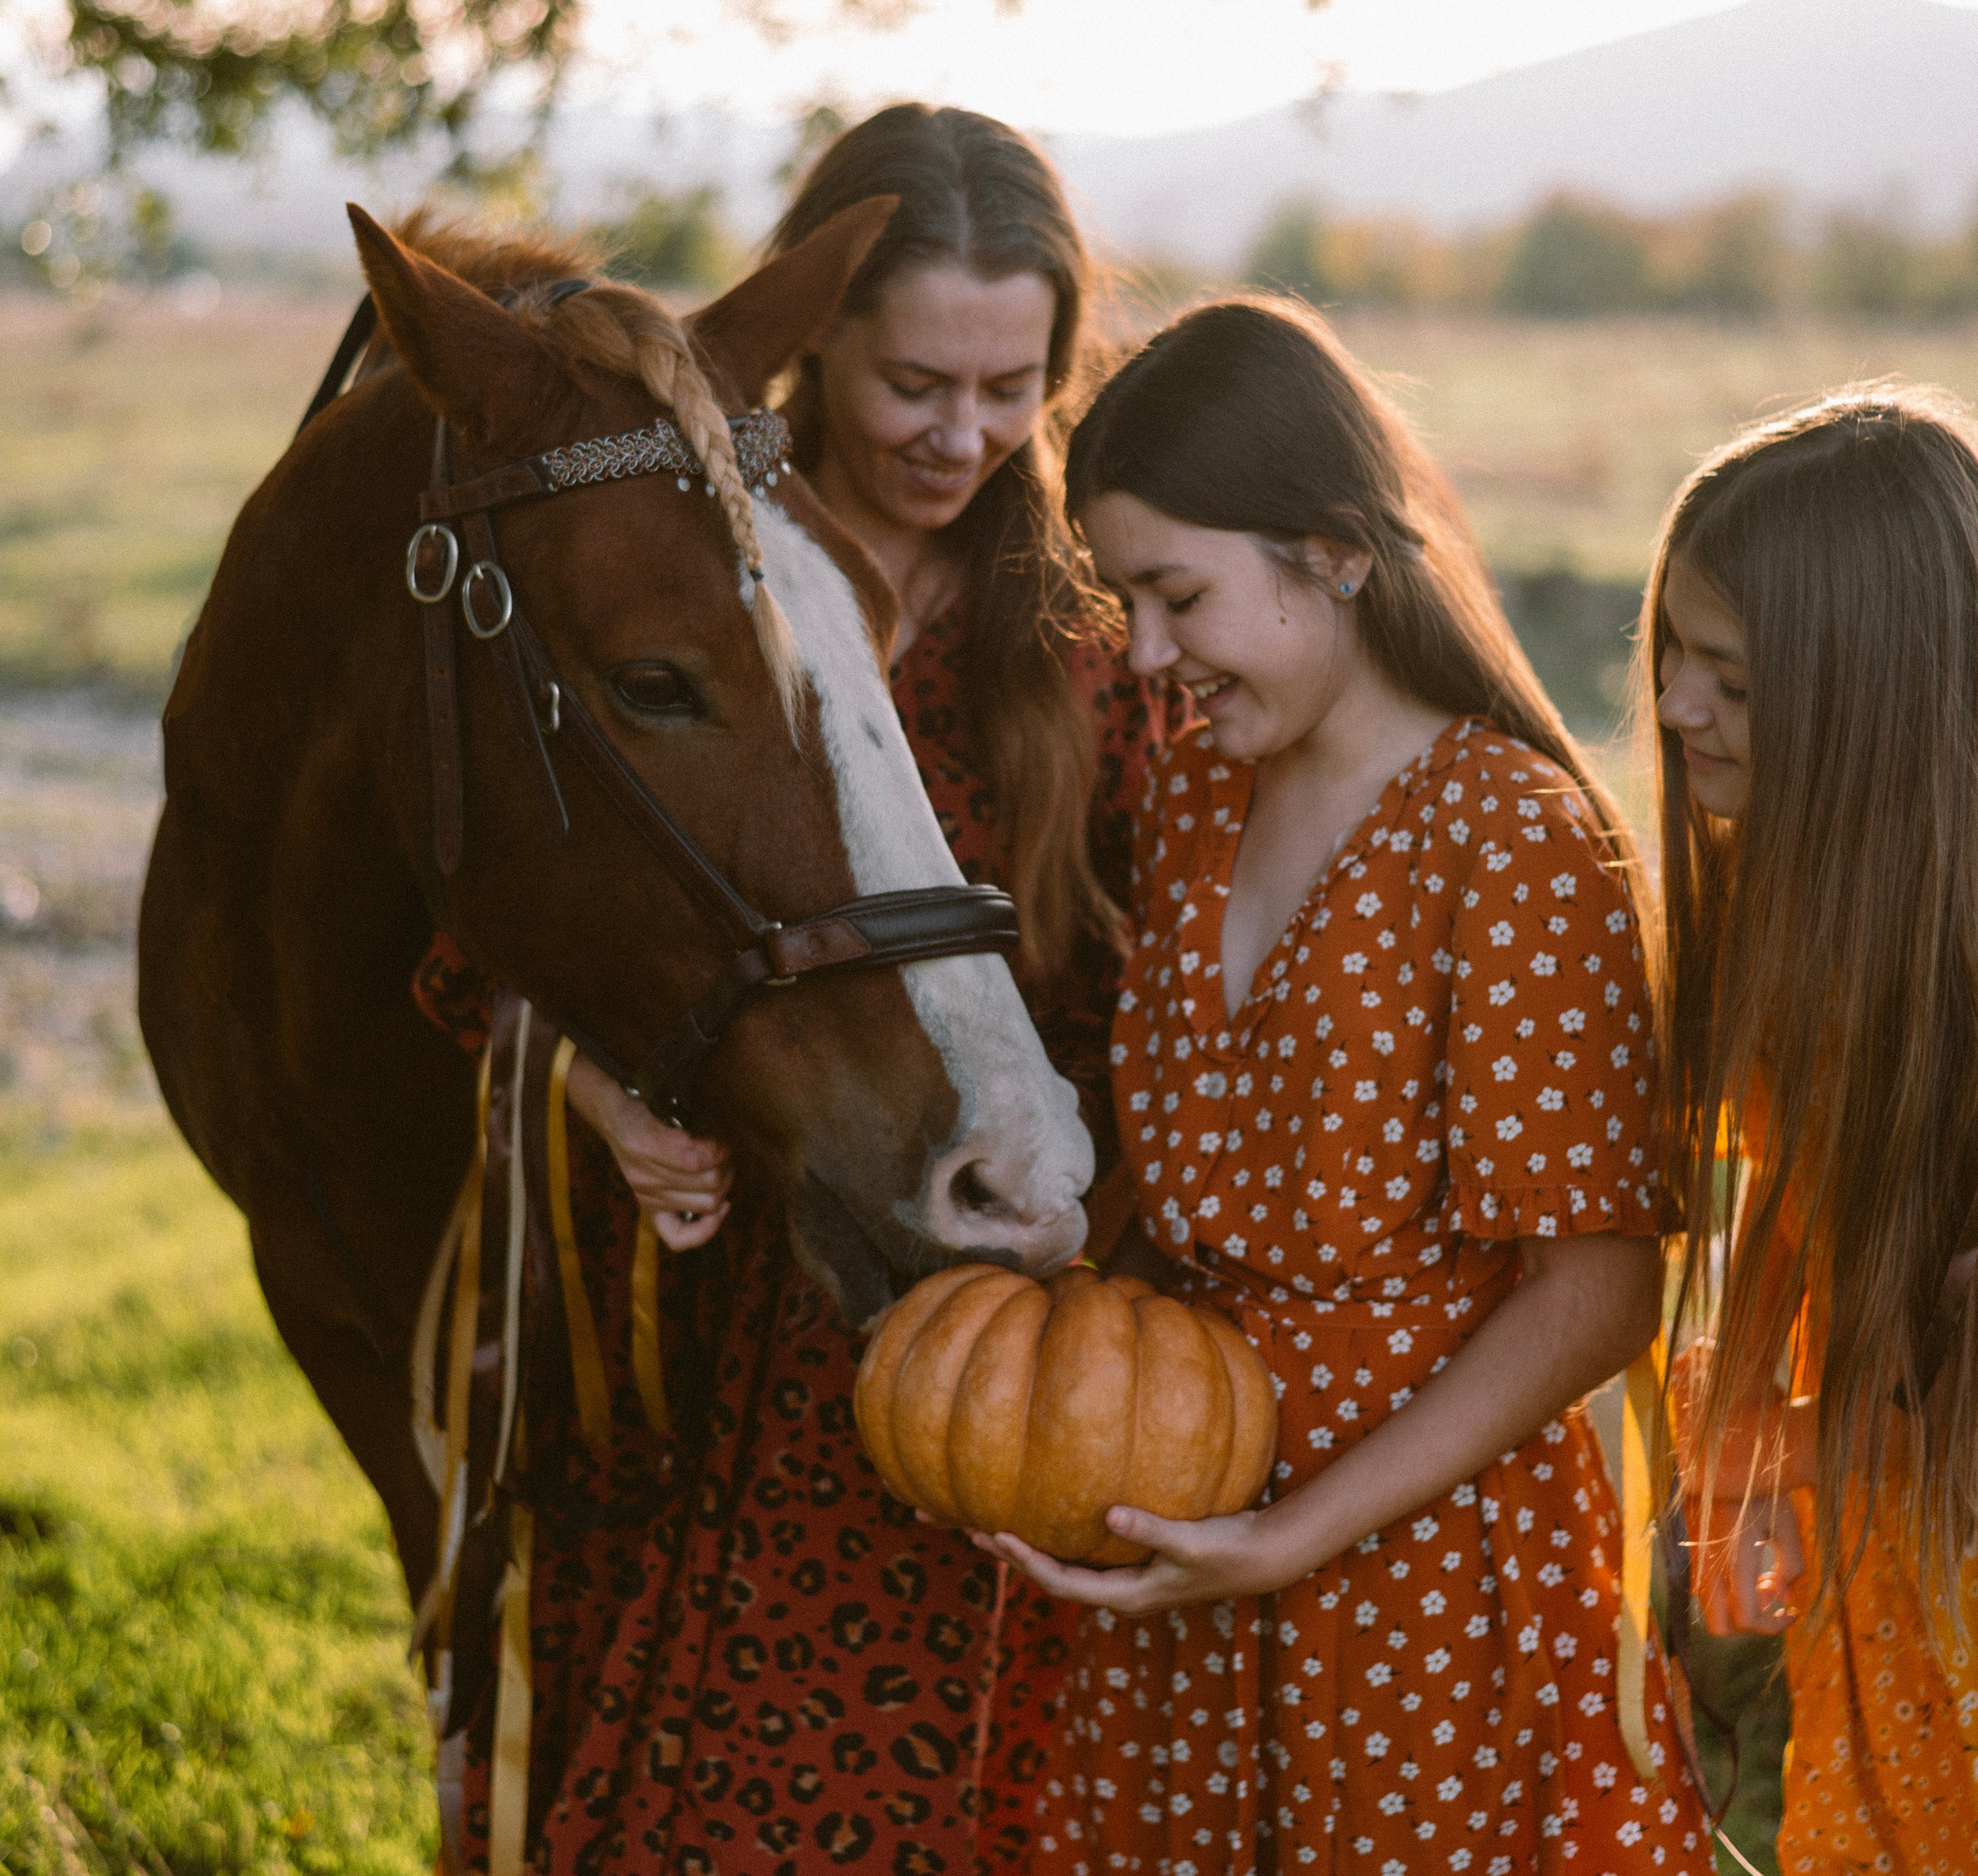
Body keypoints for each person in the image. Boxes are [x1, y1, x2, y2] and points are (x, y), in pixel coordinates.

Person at [413, 103, 1164, 1873]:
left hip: (935, 1295)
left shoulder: (1088, 633)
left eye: (1012, 386)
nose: (963, 435)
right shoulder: (681, 571)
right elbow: (492, 914)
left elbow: (1170, 974)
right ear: (806, 334)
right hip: (675, 1316)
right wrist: (586, 1085)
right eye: (917, 380)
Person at [978, 297, 1711, 1874]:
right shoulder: (1190, 793)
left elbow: (1595, 1287)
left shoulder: (1505, 838)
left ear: (1335, 553)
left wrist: (1290, 1534)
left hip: (1414, 1575)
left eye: (1174, 595)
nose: (1146, 654)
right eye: (1124, 603)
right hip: (1179, 1523)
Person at [1650, 387, 1978, 1876]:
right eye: (1671, 656)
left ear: (1870, 700)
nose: (1670, 708)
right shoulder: (1808, 917)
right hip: (1880, 1588)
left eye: (1727, 674)